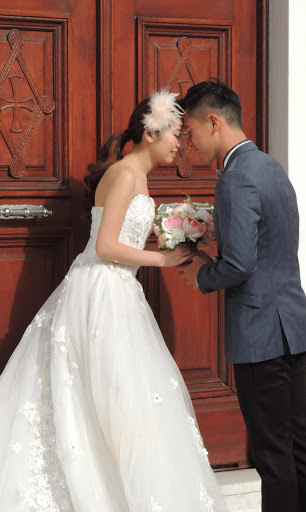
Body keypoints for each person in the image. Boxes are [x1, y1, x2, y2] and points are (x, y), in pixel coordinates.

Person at [0, 90, 229, 512]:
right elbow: (105, 246)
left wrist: (186, 231)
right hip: (102, 289)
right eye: (175, 134)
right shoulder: (125, 175)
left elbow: (123, 235)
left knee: (119, 395)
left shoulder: (137, 176)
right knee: (110, 391)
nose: (180, 144)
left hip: (119, 287)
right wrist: (163, 258)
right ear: (149, 133)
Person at [178, 80, 306, 512]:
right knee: (299, 441)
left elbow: (241, 264)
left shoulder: (235, 179)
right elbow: (268, 245)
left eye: (191, 132)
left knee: (271, 452)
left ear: (213, 121)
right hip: (292, 326)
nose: (191, 144)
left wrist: (203, 274)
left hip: (262, 334)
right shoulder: (270, 166)